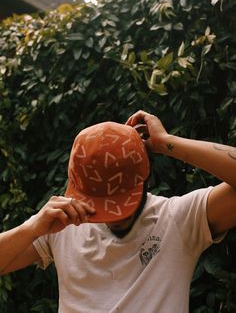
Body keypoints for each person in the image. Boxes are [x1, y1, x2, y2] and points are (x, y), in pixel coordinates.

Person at [0, 110, 236, 313]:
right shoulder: (64, 223)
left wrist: (166, 142)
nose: (113, 217)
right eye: (100, 206)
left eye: (120, 204)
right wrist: (31, 228)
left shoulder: (178, 219)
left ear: (145, 179)